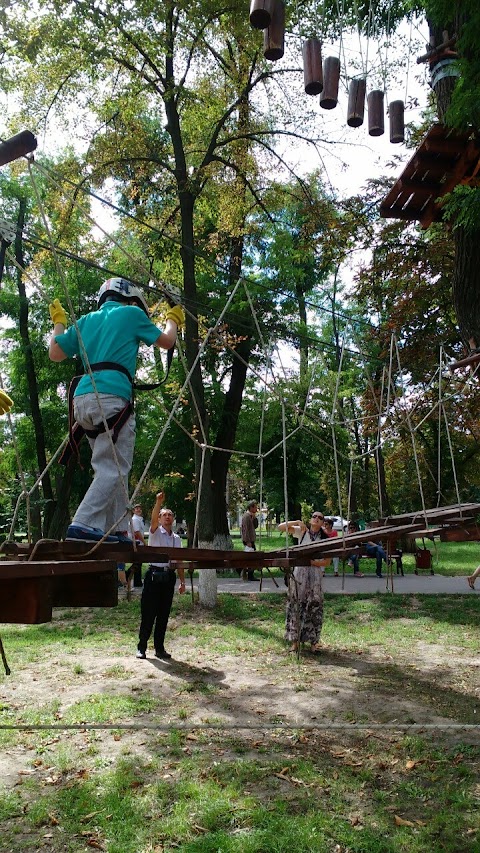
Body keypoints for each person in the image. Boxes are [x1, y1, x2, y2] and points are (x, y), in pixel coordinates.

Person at [48, 278, 184, 543]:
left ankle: (118, 529)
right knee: (115, 468)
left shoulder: (86, 320)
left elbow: (55, 352)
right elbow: (167, 341)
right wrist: (173, 319)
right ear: (132, 300)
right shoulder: (131, 314)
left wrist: (59, 322)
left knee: (111, 465)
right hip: (111, 398)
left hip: (82, 400)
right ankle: (83, 523)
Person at [136, 491, 185, 660]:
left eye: (170, 515)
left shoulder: (177, 538)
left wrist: (182, 581)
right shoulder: (155, 532)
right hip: (153, 576)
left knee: (163, 615)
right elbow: (154, 516)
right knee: (148, 613)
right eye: (164, 515)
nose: (167, 517)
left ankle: (159, 648)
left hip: (168, 578)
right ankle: (141, 647)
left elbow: (178, 560)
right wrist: (158, 502)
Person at [278, 511, 329, 653]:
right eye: (314, 516)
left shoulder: (325, 538)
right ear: (310, 519)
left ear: (323, 522)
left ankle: (313, 643)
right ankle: (295, 642)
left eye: (320, 517)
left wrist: (313, 563)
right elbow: (280, 527)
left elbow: (327, 561)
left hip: (315, 574)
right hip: (299, 574)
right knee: (296, 604)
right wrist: (296, 522)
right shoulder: (302, 531)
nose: (317, 519)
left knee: (314, 606)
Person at [127, 502, 146, 589]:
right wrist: (145, 542)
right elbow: (137, 532)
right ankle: (127, 577)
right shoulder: (135, 519)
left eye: (140, 508)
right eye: (136, 508)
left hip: (139, 543)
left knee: (138, 562)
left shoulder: (139, 519)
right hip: (136, 543)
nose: (138, 510)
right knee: (137, 562)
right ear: (134, 511)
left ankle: (137, 581)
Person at [240, 499, 258, 581]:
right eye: (255, 507)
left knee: (252, 557)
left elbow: (255, 526)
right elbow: (245, 530)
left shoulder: (251, 516)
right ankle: (245, 572)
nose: (256, 509)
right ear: (251, 507)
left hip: (251, 539)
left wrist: (254, 518)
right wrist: (247, 541)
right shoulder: (246, 516)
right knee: (252, 557)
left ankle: (249, 573)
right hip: (248, 540)